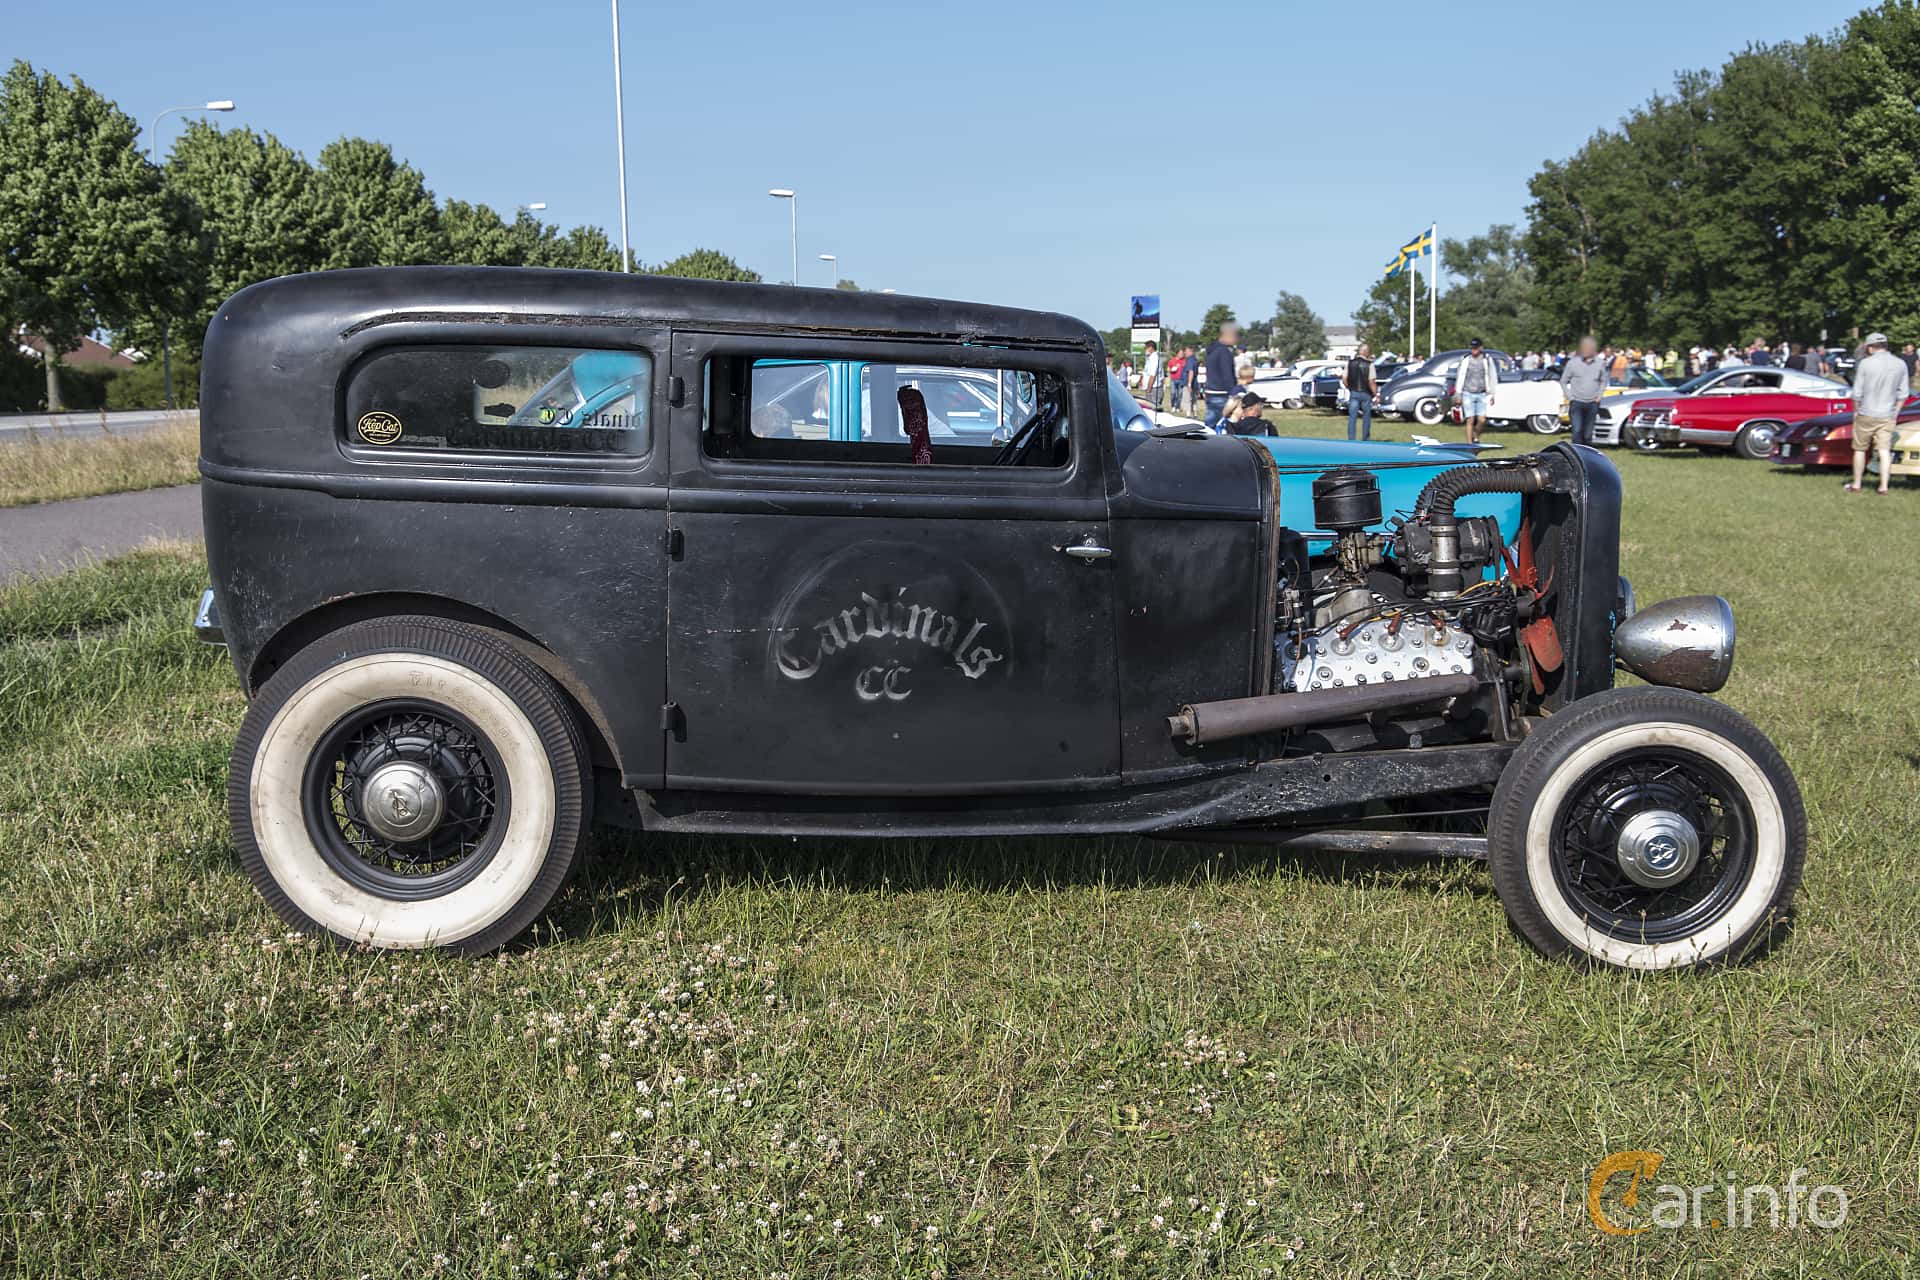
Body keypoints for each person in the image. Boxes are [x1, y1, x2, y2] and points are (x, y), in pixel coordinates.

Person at [1848, 332, 1904, 496]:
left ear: (1870, 347)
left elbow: (1857, 392)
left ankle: (1857, 484)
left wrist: (1855, 412)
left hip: (1866, 411)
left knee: (1859, 449)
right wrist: (1896, 413)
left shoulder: (1865, 364)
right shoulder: (1900, 364)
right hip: (1887, 413)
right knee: (1884, 450)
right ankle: (1883, 486)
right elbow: (1902, 394)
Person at [1560, 335, 1608, 447]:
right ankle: (1576, 454)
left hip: (1592, 403)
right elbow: (1563, 381)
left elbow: (1603, 381)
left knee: (1587, 434)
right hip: (1576, 402)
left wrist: (1599, 396)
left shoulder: (1600, 363)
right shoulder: (1572, 363)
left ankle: (1588, 456)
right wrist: (1570, 397)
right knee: (1577, 430)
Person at [1456, 338, 1498, 445]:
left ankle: (1476, 435)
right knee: (1470, 419)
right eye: (1472, 348)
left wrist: (1492, 393)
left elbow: (1492, 376)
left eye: (1475, 348)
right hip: (1467, 392)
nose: (1473, 350)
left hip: (1482, 393)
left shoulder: (1486, 359)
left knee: (1482, 420)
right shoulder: (1465, 359)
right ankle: (1469, 443)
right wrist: (1458, 394)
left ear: (1480, 348)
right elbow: (1460, 377)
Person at [1202, 323, 1239, 430]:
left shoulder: (1212, 350)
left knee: (1211, 422)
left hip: (1211, 390)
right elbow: (1227, 374)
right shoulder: (1224, 352)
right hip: (1221, 392)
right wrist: (1233, 392)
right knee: (1216, 425)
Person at [1343, 342, 1379, 440]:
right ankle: (1365, 438)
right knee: (1366, 417)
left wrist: (1349, 388)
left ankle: (1351, 438)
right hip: (1366, 393)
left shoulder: (1349, 363)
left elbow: (1344, 379)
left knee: (1352, 417)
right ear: (1365, 351)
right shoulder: (1370, 364)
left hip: (1354, 392)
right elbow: (1371, 381)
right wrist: (1376, 394)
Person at [1139, 341, 1162, 410]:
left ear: (1151, 348)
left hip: (1154, 389)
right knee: (1149, 409)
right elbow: (1146, 373)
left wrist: (1148, 389)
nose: (1145, 350)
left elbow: (1152, 376)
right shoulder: (1149, 358)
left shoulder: (1154, 358)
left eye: (1146, 348)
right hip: (1150, 388)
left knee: (1154, 409)